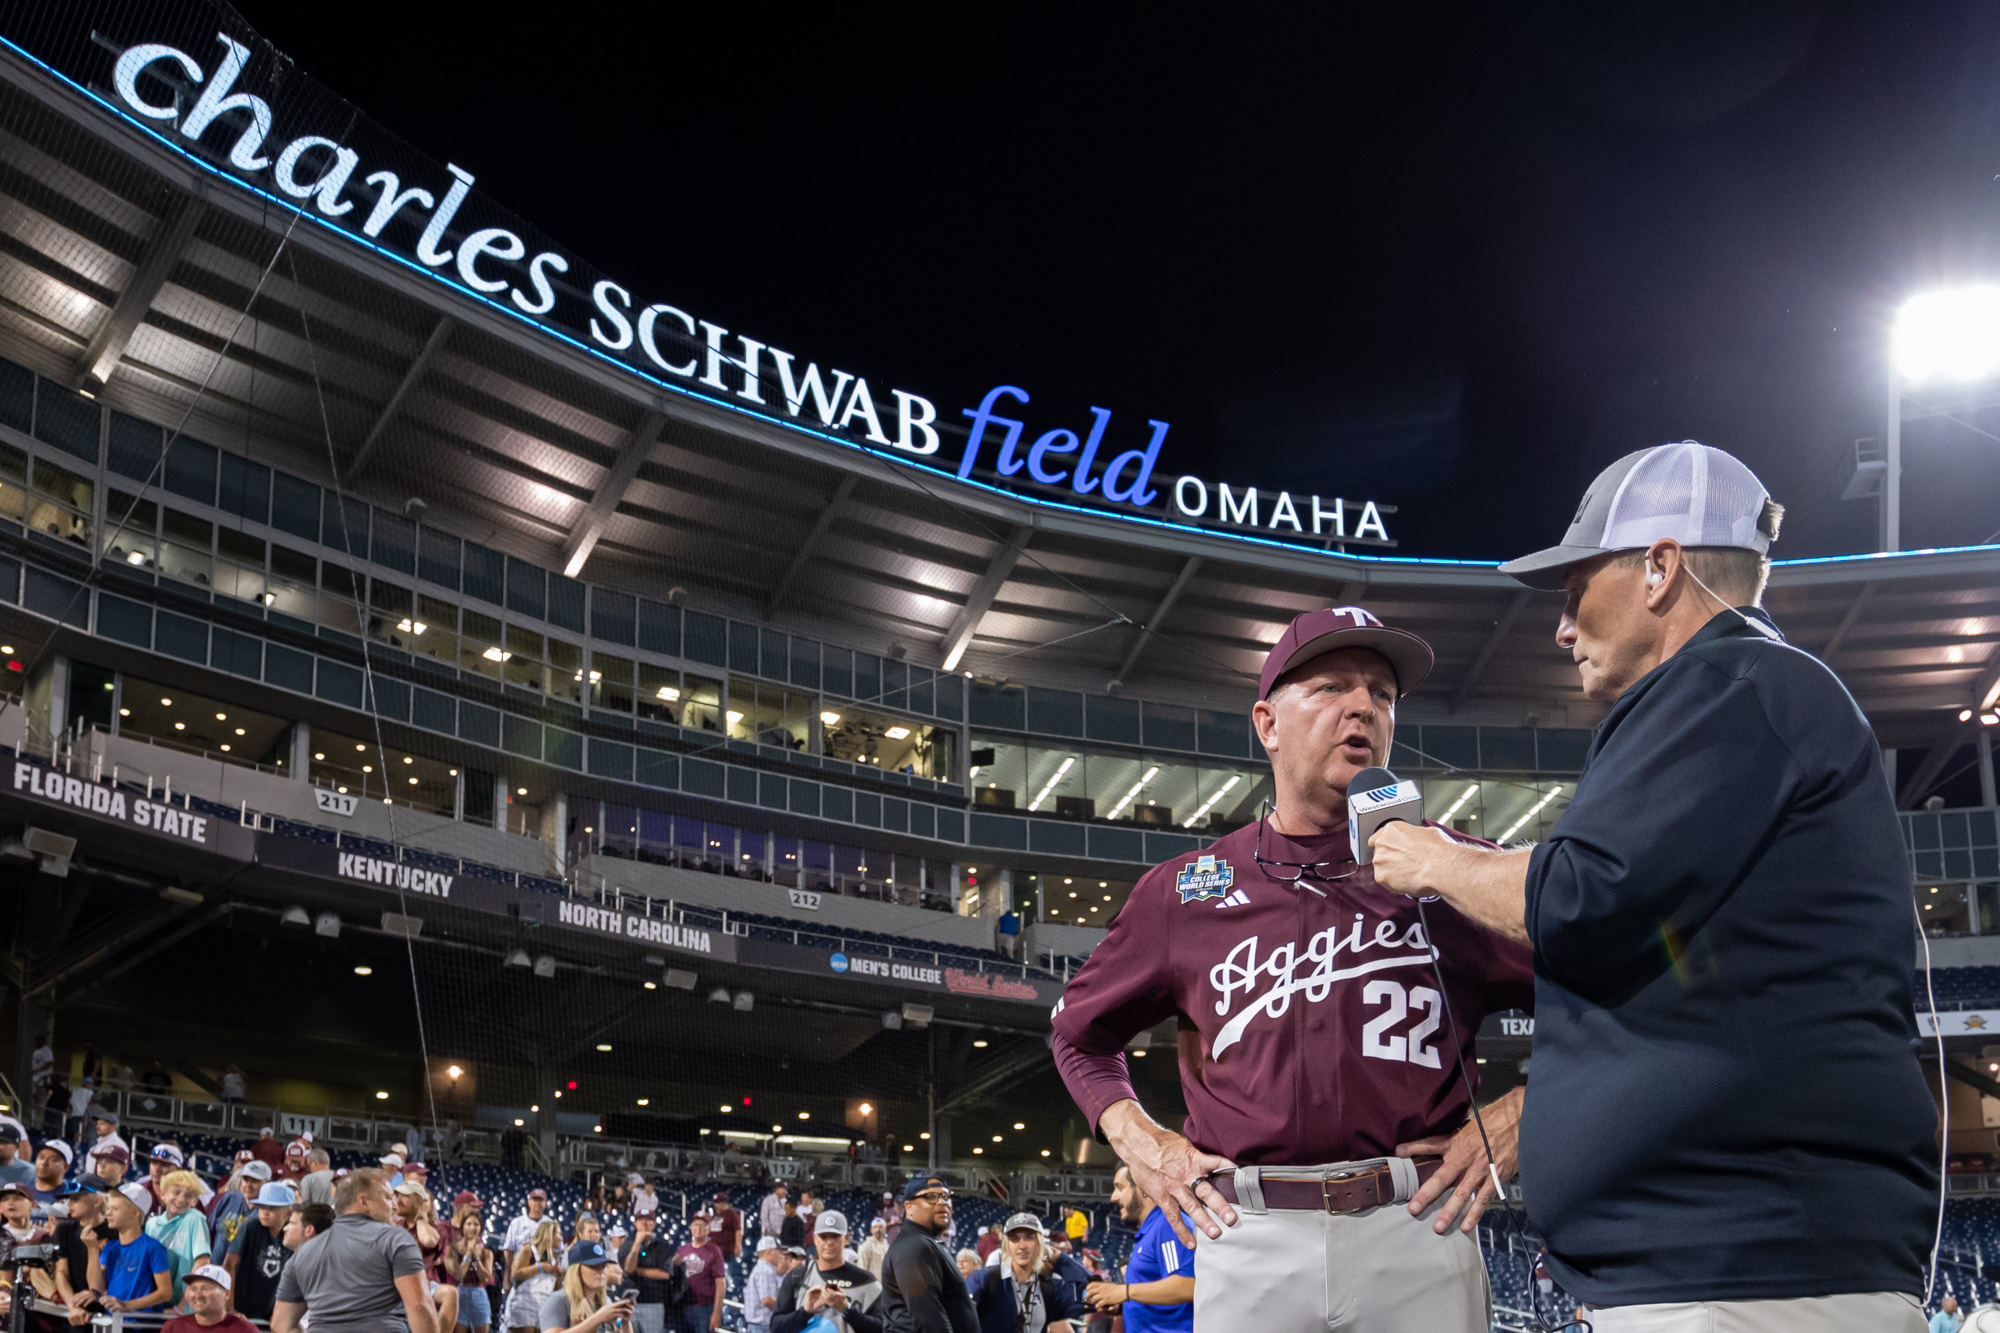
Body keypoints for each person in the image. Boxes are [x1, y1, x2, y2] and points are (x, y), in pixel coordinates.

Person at [1371, 442, 1937, 1332]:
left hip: (1747, 1266)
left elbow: (1583, 896)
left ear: (1659, 565)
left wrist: (1432, 857)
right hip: (1740, 1257)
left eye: (1574, 590)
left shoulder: (1730, 681)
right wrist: (1546, 1101)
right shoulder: (1749, 693)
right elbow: (1682, 967)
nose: (1561, 627)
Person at [1049, 606, 1533, 1333]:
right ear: (1268, 724)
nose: (1363, 706)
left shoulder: (1456, 867)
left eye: (1382, 693)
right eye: (1333, 685)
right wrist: (1144, 1145)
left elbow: (1609, 988)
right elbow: (1079, 1033)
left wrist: (1530, 1107)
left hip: (1418, 1222)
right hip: (1249, 1231)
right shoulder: (1189, 890)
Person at [271, 1168, 438, 1333]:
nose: (394, 1205)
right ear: (363, 1202)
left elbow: (281, 1324)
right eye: (388, 1198)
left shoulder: (303, 1252)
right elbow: (419, 1306)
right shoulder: (395, 1239)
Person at [1083, 1170, 1191, 1333]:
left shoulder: (1168, 1225)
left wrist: (1124, 1292)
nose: (1113, 1197)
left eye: (1120, 1188)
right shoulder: (1152, 1229)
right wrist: (1124, 1304)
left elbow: (1187, 1285)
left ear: (1144, 1188)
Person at [879, 1175, 976, 1333]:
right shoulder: (915, 1246)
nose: (942, 1202)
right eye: (931, 1197)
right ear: (909, 1207)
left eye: (946, 1196)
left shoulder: (927, 1242)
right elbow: (929, 1321)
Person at [965, 1214, 1087, 1333]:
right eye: (1014, 1239)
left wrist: (1062, 1262)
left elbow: (1093, 1295)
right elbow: (958, 1315)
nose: (1022, 1246)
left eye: (1029, 1237)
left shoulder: (1049, 1288)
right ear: (1007, 1245)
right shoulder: (985, 1279)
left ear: (1040, 1243)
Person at [771, 1210, 881, 1333]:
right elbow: (776, 1327)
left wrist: (847, 1310)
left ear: (846, 1238)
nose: (829, 1242)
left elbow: (883, 1328)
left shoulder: (866, 1281)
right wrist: (805, 1311)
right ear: (815, 1238)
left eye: (835, 1236)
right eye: (824, 1236)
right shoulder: (797, 1277)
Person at [86, 1183, 173, 1317]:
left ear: (135, 1213)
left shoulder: (152, 1247)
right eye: (108, 1208)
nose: (108, 1213)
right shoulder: (109, 1247)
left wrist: (127, 1306)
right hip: (111, 1322)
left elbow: (165, 1292)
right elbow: (96, 1287)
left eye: (114, 1209)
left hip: (140, 1325)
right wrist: (92, 1249)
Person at [228, 1180, 296, 1320]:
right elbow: (229, 1265)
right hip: (243, 1309)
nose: (265, 1212)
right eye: (262, 1207)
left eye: (272, 1208)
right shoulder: (250, 1226)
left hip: (276, 1311)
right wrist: (230, 1308)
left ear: (288, 1213)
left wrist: (284, 1314)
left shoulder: (294, 1233)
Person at [143, 1168, 212, 1303]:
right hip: (157, 1301)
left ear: (194, 1201)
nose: (181, 1199)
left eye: (188, 1195)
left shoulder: (195, 1218)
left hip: (184, 1306)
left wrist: (183, 1305)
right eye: (176, 1192)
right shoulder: (151, 1224)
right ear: (162, 1194)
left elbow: (202, 1263)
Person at [537, 1240, 631, 1333]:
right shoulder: (559, 1300)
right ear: (576, 1270)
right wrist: (598, 1318)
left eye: (603, 1266)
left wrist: (625, 1322)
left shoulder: (606, 1301)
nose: (601, 1271)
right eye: (594, 1266)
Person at [504, 1221, 564, 1333]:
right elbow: (515, 1274)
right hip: (524, 1305)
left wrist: (559, 1275)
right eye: (559, 1234)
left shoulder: (554, 1259)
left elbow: (555, 1289)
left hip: (543, 1307)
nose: (561, 1238)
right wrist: (539, 1267)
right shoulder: (528, 1250)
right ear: (549, 1233)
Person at [162, 1264, 257, 1333]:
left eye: (206, 1289)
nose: (198, 1295)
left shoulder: (245, 1330)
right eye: (193, 1289)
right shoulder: (173, 1328)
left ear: (227, 1294)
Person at [670, 1211, 725, 1333]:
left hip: (704, 1308)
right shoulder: (682, 1250)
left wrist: (716, 1312)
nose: (698, 1228)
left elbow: (720, 1282)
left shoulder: (714, 1251)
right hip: (683, 1307)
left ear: (709, 1229)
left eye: (703, 1225)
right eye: (695, 1224)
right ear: (690, 1227)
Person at [621, 1210, 674, 1333]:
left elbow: (665, 1274)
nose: (645, 1223)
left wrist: (638, 1271)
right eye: (641, 1220)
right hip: (630, 1304)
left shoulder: (663, 1246)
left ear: (654, 1224)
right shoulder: (627, 1246)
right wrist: (637, 1243)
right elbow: (629, 1268)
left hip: (654, 1304)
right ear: (635, 1224)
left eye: (648, 1220)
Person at [441, 1212, 494, 1333]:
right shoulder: (452, 1249)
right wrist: (469, 1253)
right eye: (468, 1224)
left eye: (476, 1224)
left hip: (479, 1293)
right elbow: (458, 1276)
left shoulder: (486, 1253)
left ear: (480, 1228)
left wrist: (476, 1258)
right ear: (462, 1227)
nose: (472, 1227)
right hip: (459, 1293)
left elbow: (485, 1278)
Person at [208, 1162, 269, 1265]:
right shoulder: (229, 1198)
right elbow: (209, 1231)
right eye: (246, 1179)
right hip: (215, 1272)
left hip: (244, 1276)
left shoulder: (268, 1211)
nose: (248, 1185)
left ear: (267, 1183)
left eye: (255, 1181)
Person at [394, 1179, 443, 1282]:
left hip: (425, 1286)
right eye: (398, 1196)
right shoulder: (396, 1227)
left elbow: (429, 1241)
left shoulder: (436, 1228)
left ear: (419, 1200)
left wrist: (420, 1218)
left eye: (404, 1196)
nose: (398, 1201)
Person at [743, 1237, 785, 1333]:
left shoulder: (760, 1268)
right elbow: (767, 1300)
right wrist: (784, 1311)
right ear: (770, 1252)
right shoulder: (765, 1270)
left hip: (757, 1326)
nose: (781, 1255)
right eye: (778, 1251)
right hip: (761, 1327)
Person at [28, 1140, 69, 1207]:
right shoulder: (22, 1190)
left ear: (65, 1167)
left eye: (53, 1159)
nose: (44, 1163)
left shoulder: (71, 1197)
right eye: (41, 1157)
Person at [707, 1192, 739, 1260]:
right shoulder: (715, 1214)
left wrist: (738, 1246)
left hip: (726, 1251)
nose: (715, 1205)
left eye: (717, 1203)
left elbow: (738, 1231)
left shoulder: (732, 1214)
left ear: (724, 1203)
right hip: (714, 1249)